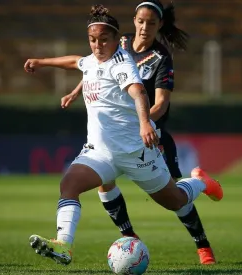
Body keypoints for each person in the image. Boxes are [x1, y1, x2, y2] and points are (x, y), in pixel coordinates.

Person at [23, 4, 223, 266]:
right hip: (100, 153)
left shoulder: (123, 62)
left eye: (103, 40)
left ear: (117, 41)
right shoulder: (95, 59)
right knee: (68, 185)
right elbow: (77, 62)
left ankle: (200, 182)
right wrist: (42, 62)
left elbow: (139, 91)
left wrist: (144, 123)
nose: (97, 45)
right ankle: (64, 245)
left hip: (135, 150)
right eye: (92, 40)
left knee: (175, 200)